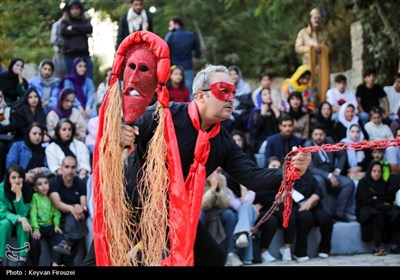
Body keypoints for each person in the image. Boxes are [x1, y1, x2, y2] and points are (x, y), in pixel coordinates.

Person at [92, 32, 311, 267]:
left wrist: (291, 171)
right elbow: (127, 129)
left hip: (175, 211)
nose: (230, 98)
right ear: (200, 96)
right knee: (97, 260)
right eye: (222, 91)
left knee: (212, 258)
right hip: (131, 201)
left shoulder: (222, 140)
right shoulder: (167, 114)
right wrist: (122, 133)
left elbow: (253, 178)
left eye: (232, 93)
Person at [295, 7, 330, 104]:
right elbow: (297, 47)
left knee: (322, 88)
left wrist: (323, 49)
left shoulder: (324, 34)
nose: (317, 20)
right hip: (308, 65)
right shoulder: (303, 33)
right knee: (309, 87)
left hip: (322, 66)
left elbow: (330, 47)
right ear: (310, 19)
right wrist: (311, 49)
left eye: (318, 18)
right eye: (315, 17)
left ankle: (322, 108)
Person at [0, 164, 32, 266]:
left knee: (24, 223)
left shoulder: (27, 190)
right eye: (13, 177)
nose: (17, 180)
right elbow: (2, 212)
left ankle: (22, 260)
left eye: (20, 177)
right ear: (8, 179)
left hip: (21, 222)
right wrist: (20, 219)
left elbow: (24, 213)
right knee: (5, 223)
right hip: (7, 220)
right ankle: (0, 258)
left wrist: (19, 195)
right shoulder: (1, 189)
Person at [29, 173, 64, 266]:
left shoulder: (51, 197)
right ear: (35, 188)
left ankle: (55, 263)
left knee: (60, 239)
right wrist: (35, 228)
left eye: (45, 183)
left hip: (50, 226)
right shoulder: (35, 197)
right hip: (39, 227)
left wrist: (56, 225)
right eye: (40, 184)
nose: (44, 186)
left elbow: (56, 212)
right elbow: (33, 213)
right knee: (34, 242)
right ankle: (34, 265)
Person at [165, 17, 201, 96]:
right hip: (187, 66)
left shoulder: (170, 35)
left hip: (173, 67)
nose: (169, 28)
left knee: (172, 90)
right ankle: (189, 107)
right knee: (189, 91)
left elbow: (164, 49)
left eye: (170, 25)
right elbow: (197, 51)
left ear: (176, 24)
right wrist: (195, 59)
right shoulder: (191, 35)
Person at [61, 0, 93, 80]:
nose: (75, 11)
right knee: (69, 80)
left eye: (77, 8)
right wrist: (81, 31)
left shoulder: (85, 21)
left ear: (80, 10)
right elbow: (64, 32)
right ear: (69, 10)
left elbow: (89, 29)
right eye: (72, 9)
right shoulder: (65, 22)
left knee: (88, 79)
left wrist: (73, 28)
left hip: (84, 55)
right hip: (69, 55)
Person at [50, 6, 69, 79]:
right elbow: (53, 39)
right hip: (59, 53)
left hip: (68, 54)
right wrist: (64, 43)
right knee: (58, 75)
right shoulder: (57, 24)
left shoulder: (70, 24)